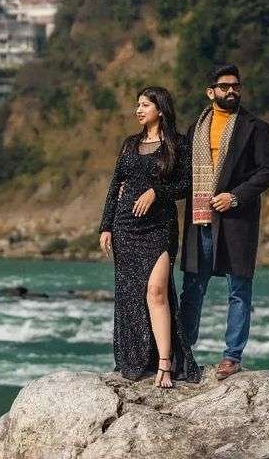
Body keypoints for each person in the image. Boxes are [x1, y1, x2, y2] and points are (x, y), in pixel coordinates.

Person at [178, 64, 269, 380]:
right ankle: (183, 353)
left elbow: (268, 171)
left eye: (236, 85)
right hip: (199, 219)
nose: (232, 90)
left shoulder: (255, 127)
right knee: (193, 288)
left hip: (237, 220)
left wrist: (234, 196)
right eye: (224, 86)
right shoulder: (195, 129)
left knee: (239, 289)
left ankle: (232, 356)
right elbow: (183, 175)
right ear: (211, 92)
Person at [99, 86, 202, 388]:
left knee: (156, 292)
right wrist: (106, 226)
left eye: (145, 105)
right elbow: (115, 184)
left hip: (159, 227)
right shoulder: (130, 144)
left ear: (160, 109)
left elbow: (187, 184)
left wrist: (157, 191)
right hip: (125, 226)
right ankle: (135, 358)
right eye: (138, 105)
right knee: (131, 294)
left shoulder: (178, 144)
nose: (139, 110)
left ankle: (165, 364)